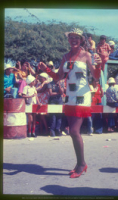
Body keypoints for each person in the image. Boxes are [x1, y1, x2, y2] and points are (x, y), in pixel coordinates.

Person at [38, 28, 101, 178]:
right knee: (74, 133)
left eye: (76, 37)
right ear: (68, 39)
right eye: (71, 37)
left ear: (81, 40)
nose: (73, 39)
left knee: (73, 131)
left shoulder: (87, 55)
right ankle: (80, 163)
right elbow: (58, 77)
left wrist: (99, 64)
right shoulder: (65, 56)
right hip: (70, 96)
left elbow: (96, 77)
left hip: (82, 95)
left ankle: (81, 164)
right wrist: (46, 69)